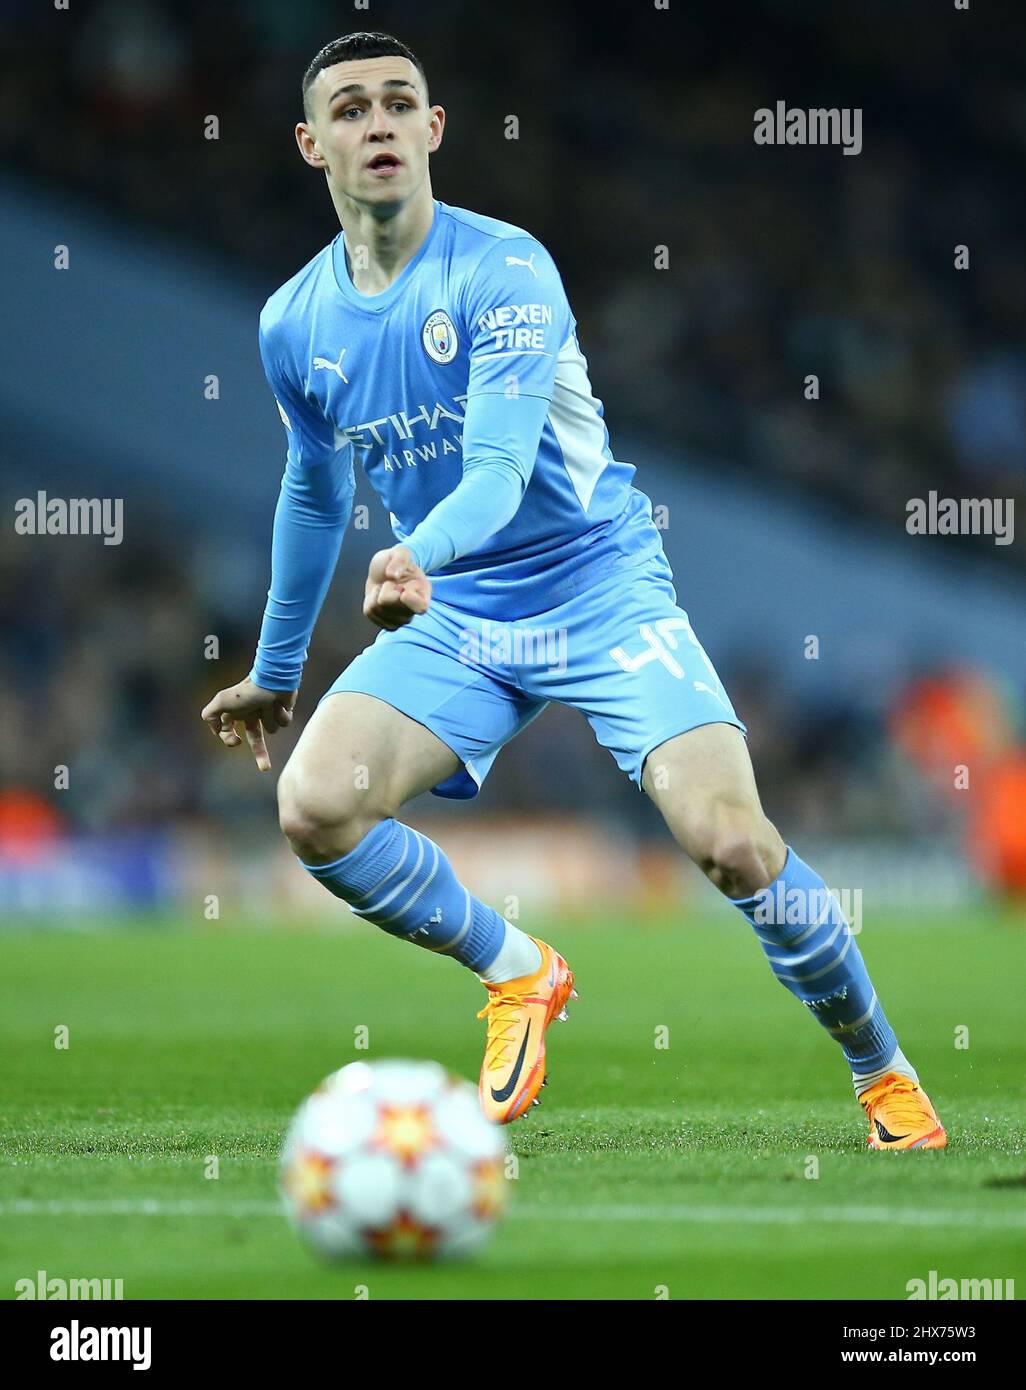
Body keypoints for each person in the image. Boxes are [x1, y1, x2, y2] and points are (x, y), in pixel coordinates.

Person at [202, 31, 945, 1147]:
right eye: (351, 110)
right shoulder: (292, 324)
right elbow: (313, 494)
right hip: (458, 615)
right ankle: (519, 971)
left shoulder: (504, 269)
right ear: (313, 145)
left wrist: (417, 556)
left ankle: (882, 1071)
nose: (380, 124)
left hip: (598, 585)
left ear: (435, 128)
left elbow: (498, 472)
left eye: (401, 102)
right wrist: (271, 670)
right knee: (313, 805)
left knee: (730, 840)